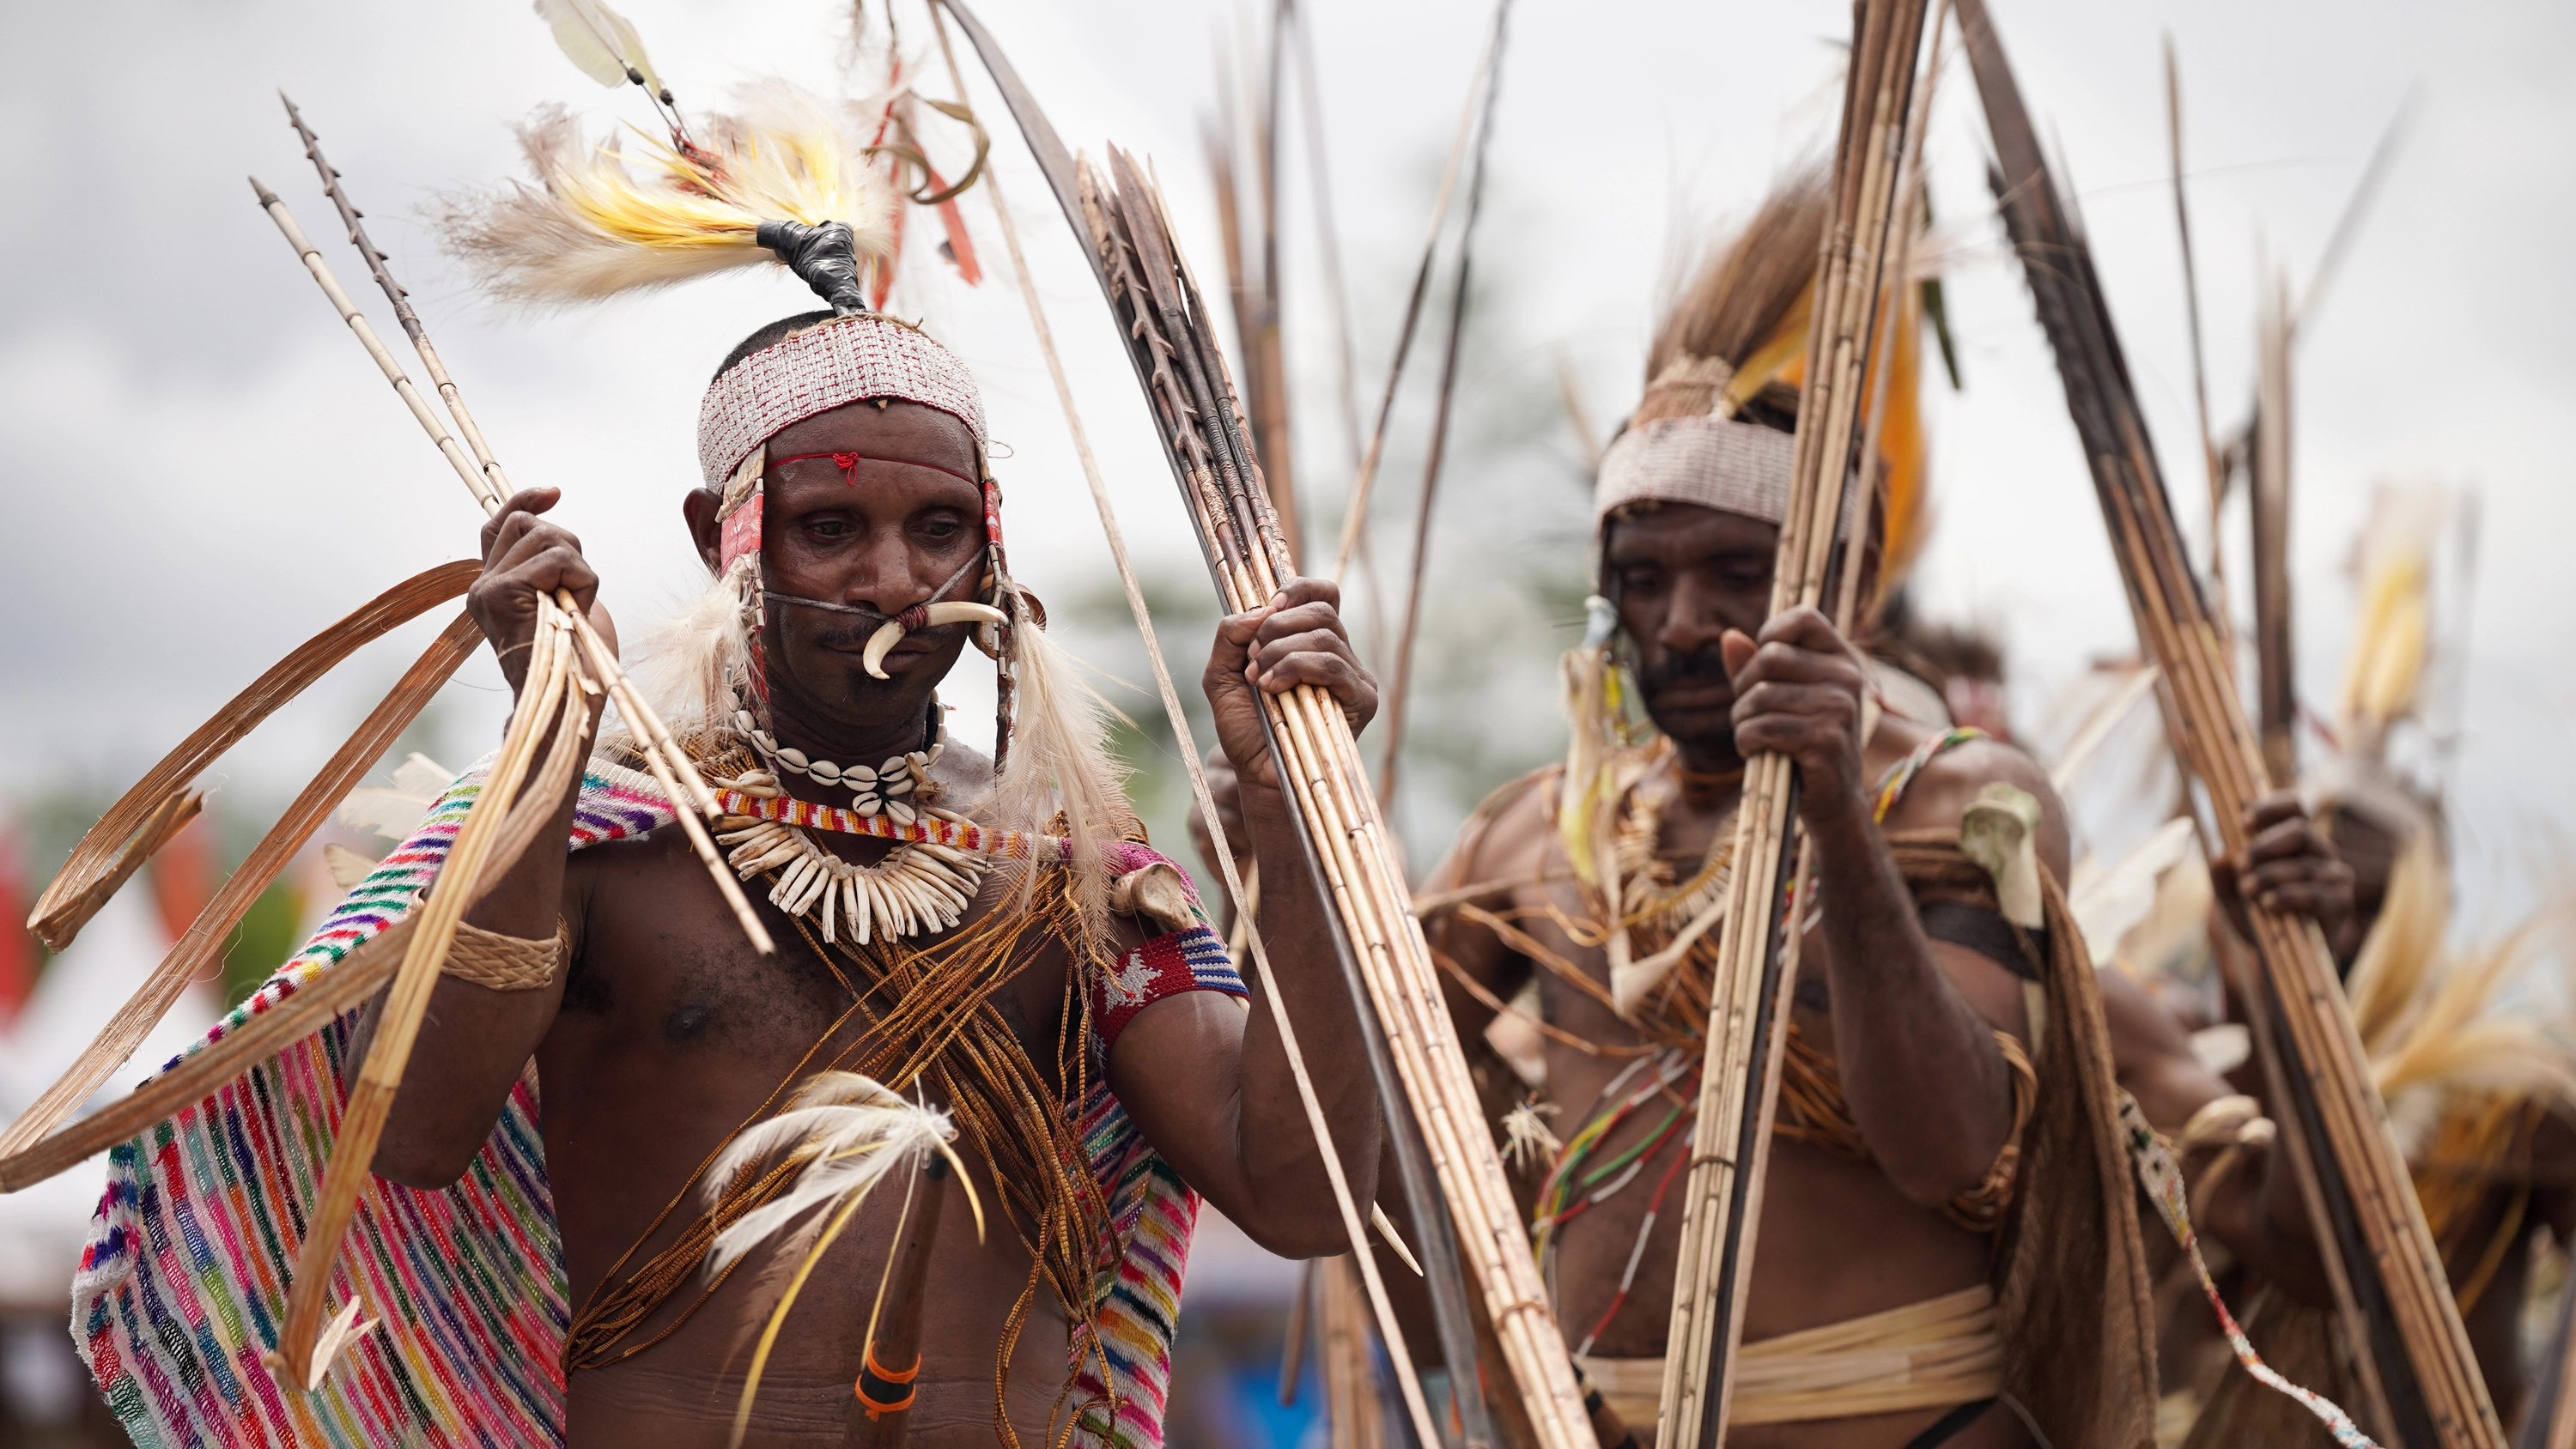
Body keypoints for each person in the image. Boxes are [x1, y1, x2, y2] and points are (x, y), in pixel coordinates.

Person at [70, 109, 1385, 1449]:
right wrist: (542, 753)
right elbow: (412, 1140)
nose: (893, 581)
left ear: (992, 554)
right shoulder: (601, 842)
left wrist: (1301, 823)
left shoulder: (1077, 879)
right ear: (723, 539)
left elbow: (1300, 1196)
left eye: (940, 531)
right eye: (829, 530)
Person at [1202, 173, 2350, 1449]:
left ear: (1843, 578)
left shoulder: (1960, 803)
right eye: (1643, 579)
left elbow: (1950, 1150)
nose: (1686, 623)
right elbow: (1334, 1153)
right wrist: (1280, 865)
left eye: (1736, 573)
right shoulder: (1534, 840)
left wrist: (1837, 816)